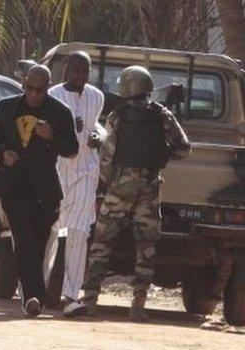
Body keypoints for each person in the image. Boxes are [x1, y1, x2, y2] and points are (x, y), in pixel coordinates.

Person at [68, 65, 191, 321]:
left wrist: (107, 183)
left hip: (120, 189)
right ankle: (138, 305)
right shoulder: (163, 114)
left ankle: (90, 299)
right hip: (149, 188)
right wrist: (160, 156)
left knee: (101, 244)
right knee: (146, 248)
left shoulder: (117, 116)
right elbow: (184, 148)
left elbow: (107, 155)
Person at [0, 64, 78, 317]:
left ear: (48, 87)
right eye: (30, 88)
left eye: (40, 90)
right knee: (24, 239)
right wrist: (2, 153)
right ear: (23, 84)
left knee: (37, 246)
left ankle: (32, 291)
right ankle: (33, 296)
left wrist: (52, 137)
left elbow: (71, 149)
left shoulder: (60, 112)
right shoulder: (8, 107)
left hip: (45, 188)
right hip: (13, 185)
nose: (35, 94)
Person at [41, 52, 107, 316]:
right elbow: (43, 129)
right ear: (67, 70)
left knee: (79, 233)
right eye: (76, 70)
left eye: (85, 71)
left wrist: (97, 135)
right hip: (57, 169)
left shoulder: (96, 96)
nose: (80, 76)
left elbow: (98, 126)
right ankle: (40, 288)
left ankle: (71, 295)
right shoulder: (53, 95)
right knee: (52, 230)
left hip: (85, 171)